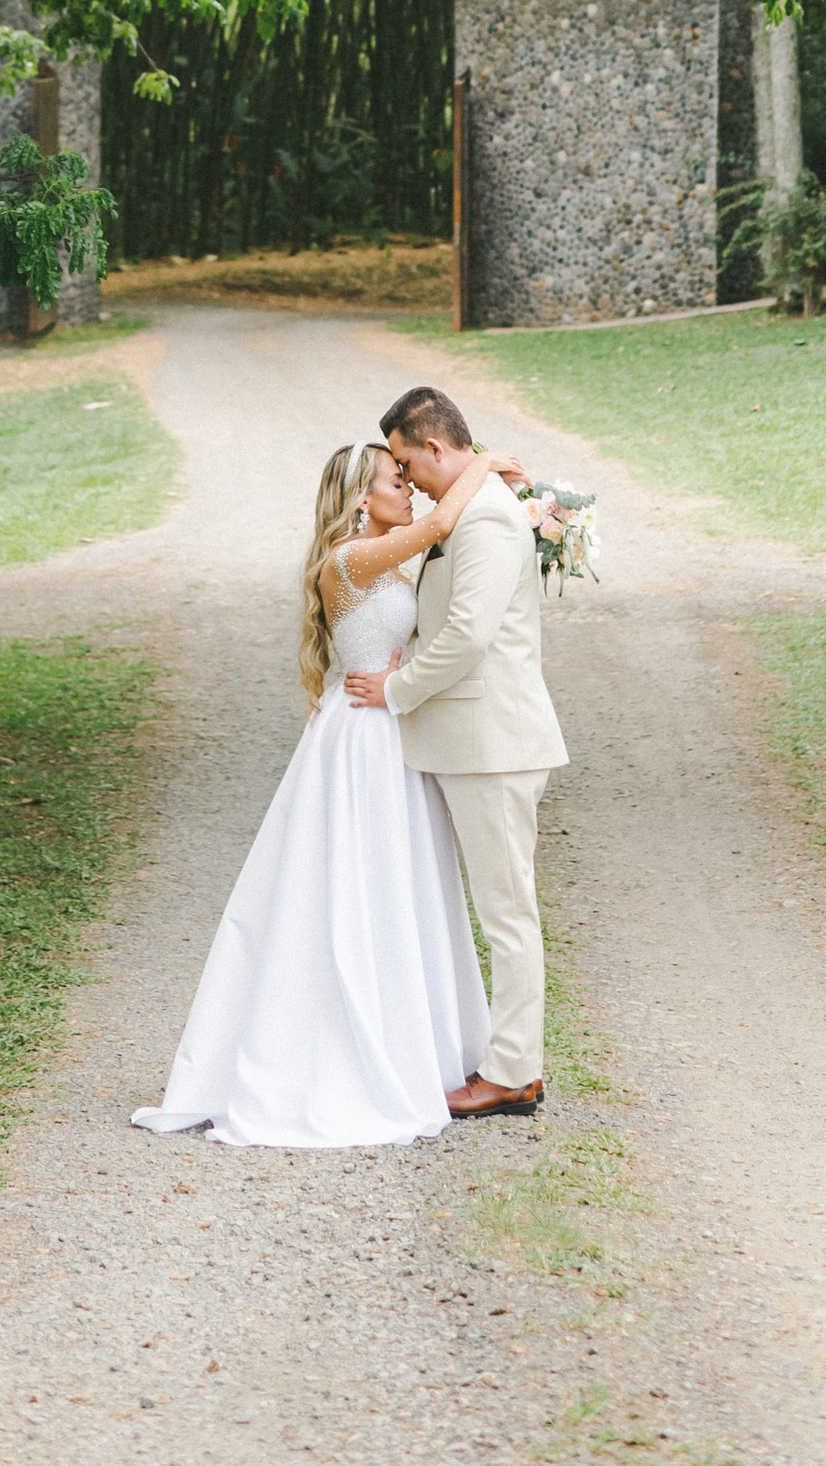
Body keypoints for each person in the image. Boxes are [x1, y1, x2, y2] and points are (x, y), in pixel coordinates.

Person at [131, 435, 497, 1150]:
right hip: (360, 740)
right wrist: (482, 463)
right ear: (363, 497)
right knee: (350, 886)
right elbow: (439, 525)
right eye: (396, 478)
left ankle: (416, 1041)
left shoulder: (388, 560)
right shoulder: (351, 558)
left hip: (390, 727)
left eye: (409, 475)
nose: (410, 487)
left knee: (406, 885)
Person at [342, 382, 567, 1120]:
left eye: (406, 463)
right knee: (494, 908)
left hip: (493, 742)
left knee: (507, 913)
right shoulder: (468, 509)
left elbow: (466, 636)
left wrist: (395, 691)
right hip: (469, 743)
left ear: (434, 448)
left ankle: (513, 1073)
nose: (403, 479)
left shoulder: (489, 523)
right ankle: (499, 1057)